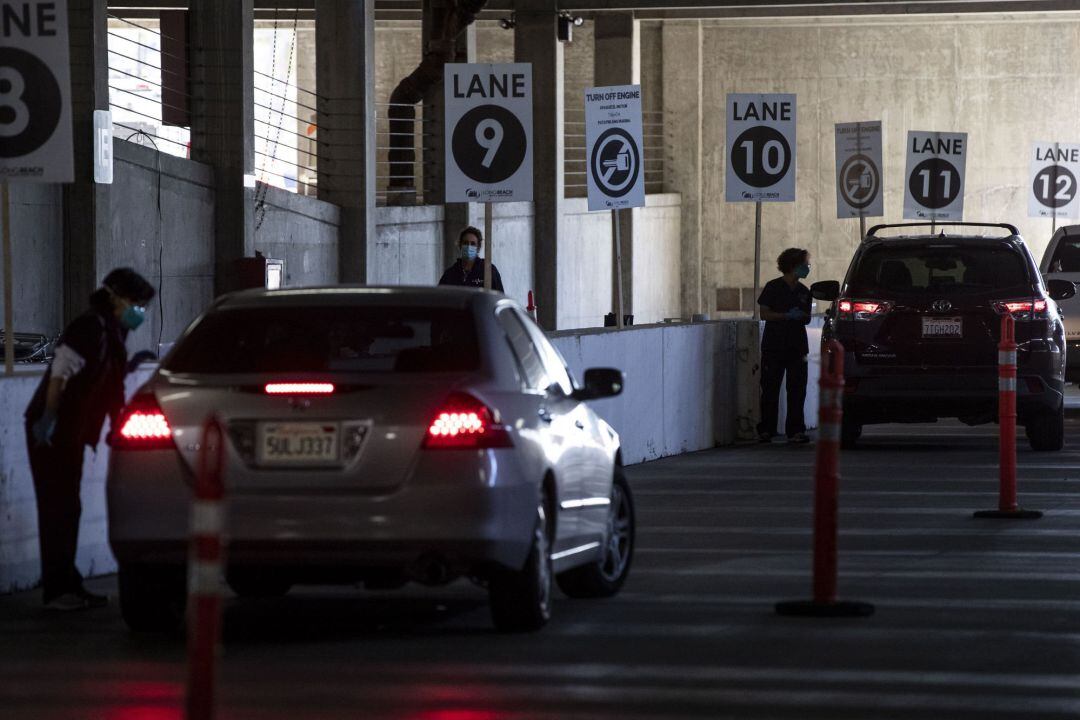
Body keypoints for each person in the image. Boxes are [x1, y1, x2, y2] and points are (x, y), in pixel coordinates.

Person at [24, 268, 156, 611]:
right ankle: (57, 590)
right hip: (52, 429)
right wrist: (49, 420)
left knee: (69, 506)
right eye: (137, 303)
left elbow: (106, 381)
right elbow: (60, 374)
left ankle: (68, 583)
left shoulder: (114, 332)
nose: (140, 311)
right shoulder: (90, 327)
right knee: (58, 507)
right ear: (116, 297)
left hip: (73, 430)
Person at [757, 248, 813, 444]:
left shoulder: (804, 292)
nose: (808, 268)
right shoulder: (773, 287)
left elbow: (806, 318)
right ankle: (767, 429)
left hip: (797, 346)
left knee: (797, 390)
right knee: (770, 388)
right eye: (805, 264)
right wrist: (786, 316)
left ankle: (796, 430)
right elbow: (764, 314)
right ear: (793, 266)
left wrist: (801, 316)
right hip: (774, 345)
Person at [438, 225, 505, 292]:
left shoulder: (489, 271)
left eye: (473, 244)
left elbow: (500, 298)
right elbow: (439, 298)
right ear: (460, 245)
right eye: (465, 243)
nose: (469, 247)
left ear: (478, 248)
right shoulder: (450, 274)